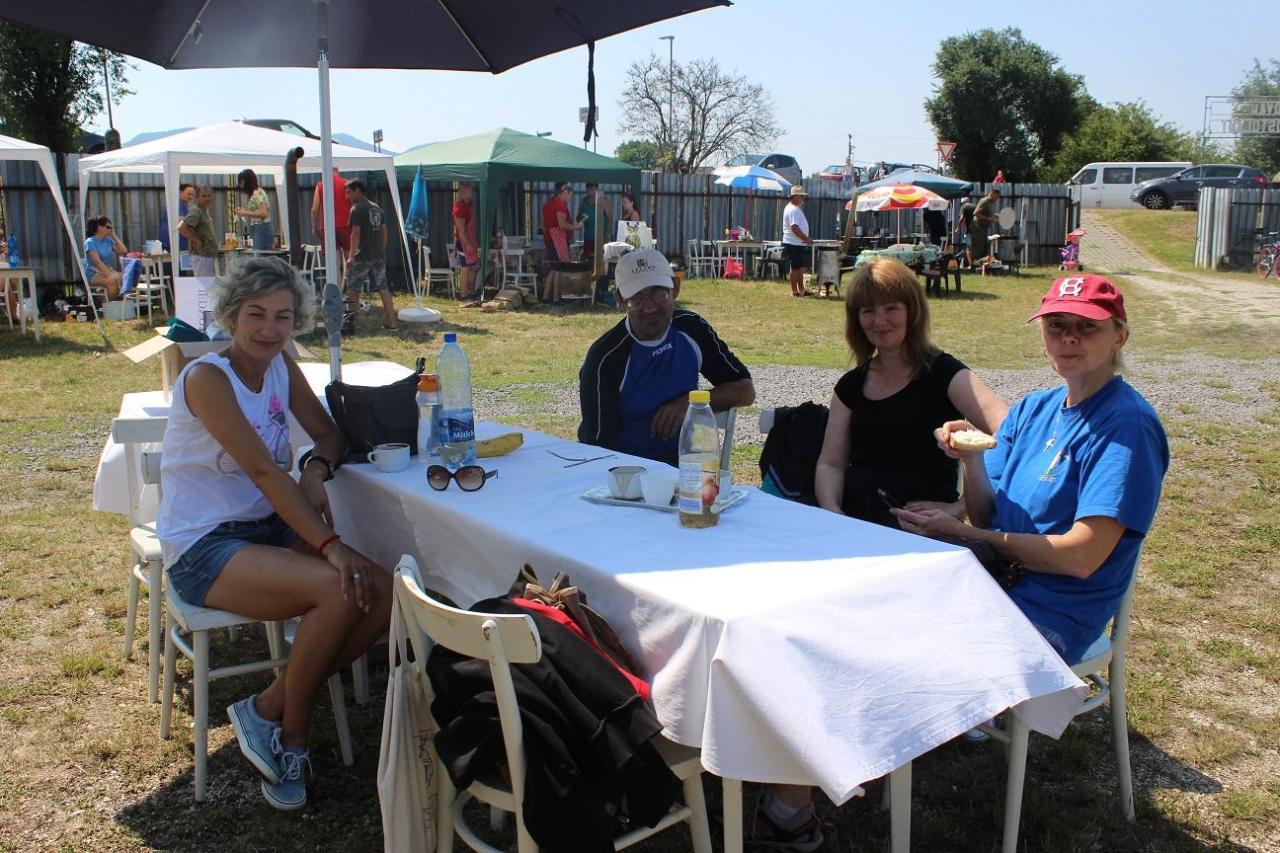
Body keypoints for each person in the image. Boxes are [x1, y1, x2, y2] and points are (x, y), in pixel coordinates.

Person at [155, 257, 391, 810]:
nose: (269, 329)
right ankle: (293, 733)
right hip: (203, 545)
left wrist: (315, 470)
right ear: (231, 316)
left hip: (265, 528)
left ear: (296, 321)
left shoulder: (281, 365)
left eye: (282, 316)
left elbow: (329, 435)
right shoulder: (208, 378)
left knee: (382, 594)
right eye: (256, 314)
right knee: (341, 587)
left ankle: (264, 707)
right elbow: (263, 471)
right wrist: (331, 547)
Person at [893, 274, 1169, 667]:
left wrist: (963, 532)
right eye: (1056, 325)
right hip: (994, 583)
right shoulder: (1032, 410)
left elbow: (1080, 557)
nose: (1068, 338)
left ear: (1119, 337)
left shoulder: (1126, 427)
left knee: (912, 655)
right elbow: (988, 516)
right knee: (882, 616)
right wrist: (972, 459)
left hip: (1051, 613)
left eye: (1087, 326)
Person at [815, 257, 1007, 527]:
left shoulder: (944, 374)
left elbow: (1010, 431)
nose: (879, 320)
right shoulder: (851, 385)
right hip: (857, 526)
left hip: (923, 532)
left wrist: (958, 508)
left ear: (912, 311)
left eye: (891, 308)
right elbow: (831, 464)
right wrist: (834, 514)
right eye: (868, 310)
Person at [578, 247, 755, 466]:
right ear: (620, 300)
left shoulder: (691, 329)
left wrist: (688, 404)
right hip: (628, 471)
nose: (650, 308)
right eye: (637, 298)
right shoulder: (605, 357)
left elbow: (745, 391)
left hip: (689, 467)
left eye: (659, 294)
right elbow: (598, 449)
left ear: (675, 288)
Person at [344, 179, 397, 330]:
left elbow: (355, 234)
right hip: (378, 255)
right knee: (383, 287)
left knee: (353, 287)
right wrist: (381, 249)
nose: (347, 196)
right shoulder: (377, 208)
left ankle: (355, 321)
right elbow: (385, 232)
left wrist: (351, 256)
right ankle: (391, 321)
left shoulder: (357, 209)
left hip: (363, 255)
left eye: (349, 192)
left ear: (357, 190)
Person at [541, 182, 583, 303]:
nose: (569, 199)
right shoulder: (560, 205)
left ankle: (546, 296)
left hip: (549, 238)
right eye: (569, 196)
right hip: (556, 239)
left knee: (554, 268)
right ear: (565, 192)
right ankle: (556, 298)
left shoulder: (548, 203)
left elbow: (543, 224)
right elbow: (561, 224)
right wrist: (576, 227)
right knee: (559, 268)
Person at [179, 185, 218, 278]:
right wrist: (196, 240)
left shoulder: (204, 210)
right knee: (204, 283)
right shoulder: (196, 211)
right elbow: (182, 227)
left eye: (209, 196)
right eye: (204, 196)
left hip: (207, 254)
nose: (207, 199)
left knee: (209, 282)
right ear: (197, 197)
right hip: (201, 254)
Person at [84, 216, 128, 300]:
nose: (110, 229)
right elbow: (97, 262)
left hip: (108, 270)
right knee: (111, 281)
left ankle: (121, 302)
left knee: (128, 277)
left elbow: (123, 251)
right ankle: (111, 305)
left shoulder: (108, 240)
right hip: (94, 273)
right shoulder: (90, 242)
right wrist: (110, 275)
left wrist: (114, 236)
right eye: (108, 227)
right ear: (99, 227)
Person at [310, 167, 351, 254]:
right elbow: (353, 204)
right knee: (349, 256)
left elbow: (314, 209)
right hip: (345, 225)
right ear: (338, 171)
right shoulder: (347, 184)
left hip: (327, 226)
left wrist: (314, 227)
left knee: (332, 257)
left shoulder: (321, 185)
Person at [782, 186, 814, 297]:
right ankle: (794, 292)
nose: (803, 198)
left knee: (800, 267)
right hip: (793, 243)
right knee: (795, 267)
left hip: (797, 242)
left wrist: (804, 239)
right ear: (795, 196)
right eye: (801, 196)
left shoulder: (794, 208)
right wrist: (806, 239)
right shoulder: (793, 209)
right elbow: (794, 227)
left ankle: (801, 290)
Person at [451, 182, 479, 302]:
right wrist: (467, 244)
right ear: (464, 191)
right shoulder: (459, 208)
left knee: (473, 268)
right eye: (470, 191)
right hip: (463, 243)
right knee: (465, 268)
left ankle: (471, 293)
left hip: (471, 242)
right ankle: (463, 296)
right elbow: (461, 230)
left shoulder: (467, 206)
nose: (472, 193)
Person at [235, 169, 275, 251]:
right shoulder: (257, 193)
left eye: (242, 183)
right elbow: (257, 210)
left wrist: (245, 212)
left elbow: (264, 213)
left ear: (248, 181)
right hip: (260, 228)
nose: (241, 186)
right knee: (259, 254)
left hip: (262, 228)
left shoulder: (257, 193)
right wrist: (243, 211)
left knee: (259, 255)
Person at [578, 182, 614, 264]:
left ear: (597, 188)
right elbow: (578, 218)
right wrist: (583, 218)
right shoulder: (583, 201)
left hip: (601, 238)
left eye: (592, 188)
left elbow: (610, 219)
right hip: (588, 238)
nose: (590, 190)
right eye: (588, 188)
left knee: (600, 261)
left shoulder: (604, 201)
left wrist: (607, 235)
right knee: (588, 261)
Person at [159, 183, 195, 252]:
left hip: (180, 243)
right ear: (180, 192)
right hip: (171, 243)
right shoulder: (174, 205)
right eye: (189, 194)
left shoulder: (184, 207)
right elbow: (180, 221)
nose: (190, 196)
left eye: (192, 195)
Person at [971, 187, 1000, 267]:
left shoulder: (990, 203)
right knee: (978, 248)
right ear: (992, 194)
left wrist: (999, 216)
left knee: (984, 248)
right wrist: (987, 219)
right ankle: (975, 266)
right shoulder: (985, 201)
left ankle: (982, 266)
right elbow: (975, 213)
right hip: (978, 228)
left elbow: (988, 213)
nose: (996, 199)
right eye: (996, 197)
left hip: (983, 228)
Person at [953, 196, 976, 267]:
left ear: (962, 203)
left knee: (968, 248)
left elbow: (962, 218)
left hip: (970, 230)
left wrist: (958, 228)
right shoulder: (975, 206)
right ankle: (976, 263)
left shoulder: (964, 207)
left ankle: (971, 265)